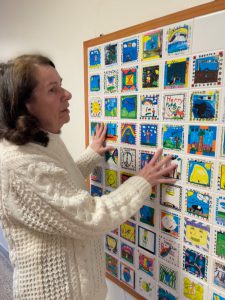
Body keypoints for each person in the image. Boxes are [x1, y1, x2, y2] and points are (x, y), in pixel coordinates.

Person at [0, 54, 177, 300]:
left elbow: (57, 186)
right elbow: (90, 217)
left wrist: (91, 155)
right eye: (53, 90)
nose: (67, 94)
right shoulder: (17, 163)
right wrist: (142, 181)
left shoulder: (38, 138)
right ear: (24, 105)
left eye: (60, 84)